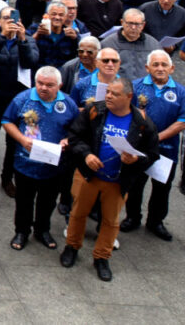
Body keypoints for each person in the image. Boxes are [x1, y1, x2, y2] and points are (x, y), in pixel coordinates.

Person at [61, 78, 159, 281]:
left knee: (110, 221)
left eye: (115, 94)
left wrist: (135, 160)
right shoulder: (94, 111)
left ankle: (102, 257)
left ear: (129, 97)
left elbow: (152, 154)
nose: (108, 96)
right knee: (77, 213)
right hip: (89, 175)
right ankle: (72, 246)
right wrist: (87, 154)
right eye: (108, 92)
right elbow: (74, 136)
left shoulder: (142, 122)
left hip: (117, 181)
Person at [1, 67, 76, 251]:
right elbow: (7, 121)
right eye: (40, 83)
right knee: (23, 200)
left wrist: (68, 140)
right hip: (26, 163)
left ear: (59, 85)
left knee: (48, 201)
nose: (43, 88)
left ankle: (42, 230)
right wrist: (21, 139)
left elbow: (78, 128)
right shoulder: (23, 99)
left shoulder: (68, 103)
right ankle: (22, 231)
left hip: (54, 165)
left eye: (49, 85)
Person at [122, 51, 185, 241]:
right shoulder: (135, 86)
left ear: (172, 68)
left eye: (164, 65)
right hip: (138, 147)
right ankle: (132, 217)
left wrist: (156, 139)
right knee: (135, 184)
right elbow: (125, 113)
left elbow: (182, 121)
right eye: (155, 64)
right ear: (147, 68)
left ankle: (156, 221)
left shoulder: (181, 92)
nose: (160, 68)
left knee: (162, 187)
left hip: (167, 149)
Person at [0, 6, 39, 198]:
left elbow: (31, 62)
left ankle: (7, 178)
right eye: (6, 18)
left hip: (16, 100)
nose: (10, 22)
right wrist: (3, 36)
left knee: (13, 142)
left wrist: (22, 40)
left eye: (14, 18)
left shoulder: (28, 40)